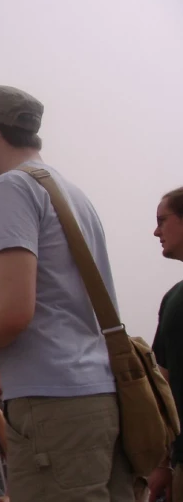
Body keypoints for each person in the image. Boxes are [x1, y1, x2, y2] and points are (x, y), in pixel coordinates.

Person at [0, 85, 135, 501]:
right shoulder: (73, 194)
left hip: (55, 410)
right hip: (99, 398)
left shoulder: (9, 188)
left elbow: (14, 310)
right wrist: (16, 371)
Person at [148, 186, 183, 502]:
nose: (156, 231)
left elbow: (163, 387)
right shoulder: (172, 299)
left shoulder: (175, 301)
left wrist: (162, 463)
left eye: (163, 220)